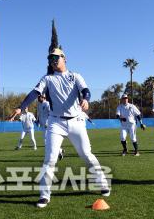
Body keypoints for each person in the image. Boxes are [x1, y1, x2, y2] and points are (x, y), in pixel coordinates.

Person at [11, 48, 110, 208]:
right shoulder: (48, 79)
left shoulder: (75, 76)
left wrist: (86, 99)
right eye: (51, 58)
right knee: (50, 158)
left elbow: (86, 90)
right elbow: (34, 93)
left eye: (56, 57)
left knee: (86, 154)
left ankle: (102, 182)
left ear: (64, 58)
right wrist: (21, 107)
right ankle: (44, 195)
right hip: (55, 122)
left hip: (76, 121)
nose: (53, 60)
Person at [36, 94, 64, 160]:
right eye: (38, 97)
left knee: (46, 140)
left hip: (47, 124)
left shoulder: (47, 103)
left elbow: (50, 113)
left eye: (39, 97)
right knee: (49, 140)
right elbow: (39, 113)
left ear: (43, 97)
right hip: (42, 124)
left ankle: (52, 155)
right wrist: (38, 120)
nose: (38, 98)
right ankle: (59, 150)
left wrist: (47, 122)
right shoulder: (39, 104)